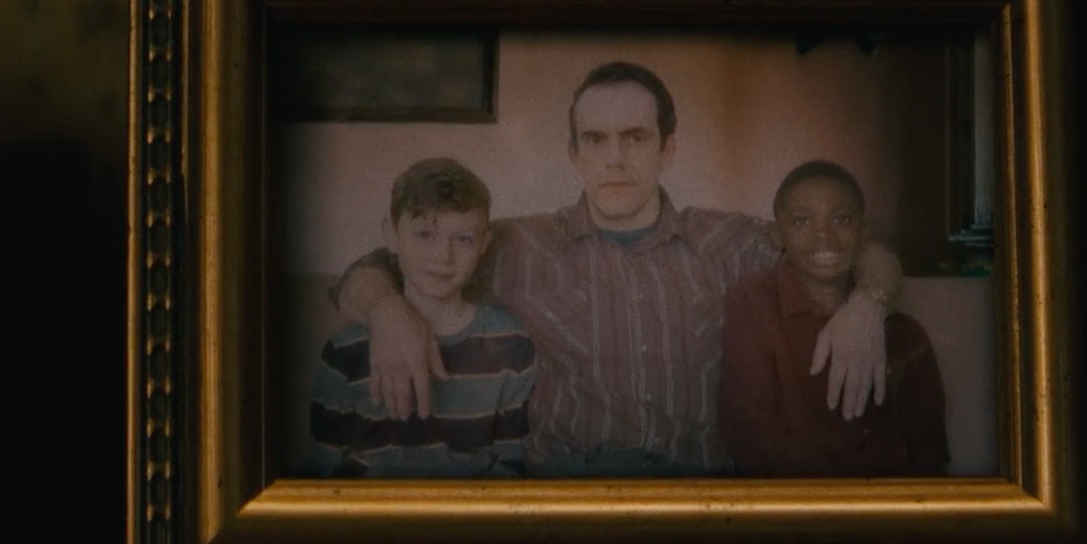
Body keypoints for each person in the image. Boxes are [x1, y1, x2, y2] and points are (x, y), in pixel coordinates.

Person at [331, 61, 901, 476]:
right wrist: (387, 311)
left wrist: (868, 305)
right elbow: (370, 269)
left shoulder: (725, 242)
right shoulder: (519, 245)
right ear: (574, 153)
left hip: (695, 489)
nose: (614, 158)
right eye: (595, 139)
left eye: (635, 137)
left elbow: (858, 250)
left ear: (667, 149)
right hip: (568, 489)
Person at [291, 158, 535, 478]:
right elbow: (324, 467)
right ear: (391, 235)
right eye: (425, 235)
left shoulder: (510, 343)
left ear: (484, 243)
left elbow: (511, 466)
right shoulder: (346, 349)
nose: (444, 256)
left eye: (464, 239)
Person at [718, 160, 950, 476]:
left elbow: (928, 454)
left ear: (863, 234)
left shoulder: (904, 334)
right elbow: (749, 436)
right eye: (802, 221)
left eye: (841, 220)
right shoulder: (753, 307)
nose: (824, 236)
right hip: (791, 496)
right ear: (776, 235)